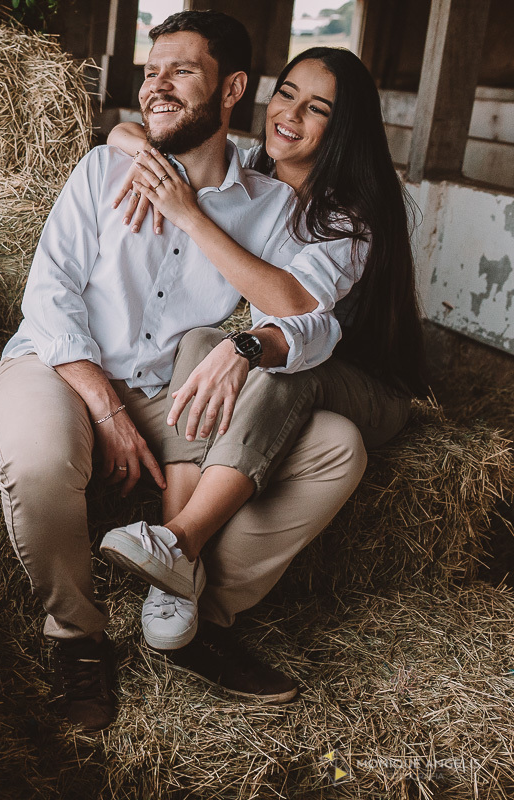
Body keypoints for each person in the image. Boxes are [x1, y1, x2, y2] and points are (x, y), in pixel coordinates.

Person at [0, 12, 367, 731]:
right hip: (61, 367)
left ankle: (195, 609)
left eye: (180, 71)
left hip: (169, 398)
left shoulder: (274, 210)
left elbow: (310, 319)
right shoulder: (105, 166)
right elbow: (50, 293)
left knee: (337, 446)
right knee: (38, 462)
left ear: (232, 90)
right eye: (149, 71)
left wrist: (250, 340)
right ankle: (78, 638)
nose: (154, 86)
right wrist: (104, 408)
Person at [98, 46, 427, 697]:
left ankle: (179, 540)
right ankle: (179, 575)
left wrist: (188, 213)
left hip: (359, 381)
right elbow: (126, 131)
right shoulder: (250, 167)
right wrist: (144, 152)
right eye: (287, 94)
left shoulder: (348, 217)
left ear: (344, 128)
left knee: (278, 367)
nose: (290, 114)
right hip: (287, 370)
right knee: (200, 342)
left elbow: (294, 316)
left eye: (317, 109)